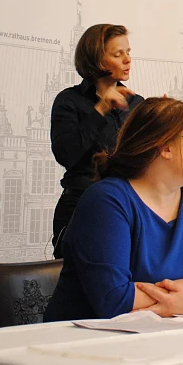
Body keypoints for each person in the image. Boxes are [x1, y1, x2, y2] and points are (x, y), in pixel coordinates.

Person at [44, 97, 183, 321]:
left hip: (171, 341)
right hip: (85, 347)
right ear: (166, 147)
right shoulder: (106, 201)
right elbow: (115, 300)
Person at [50, 24, 143, 258]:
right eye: (117, 54)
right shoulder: (69, 101)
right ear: (96, 60)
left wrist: (163, 121)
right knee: (76, 285)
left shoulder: (136, 104)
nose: (127, 60)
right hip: (80, 205)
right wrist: (101, 109)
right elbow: (66, 155)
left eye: (128, 52)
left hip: (126, 207)